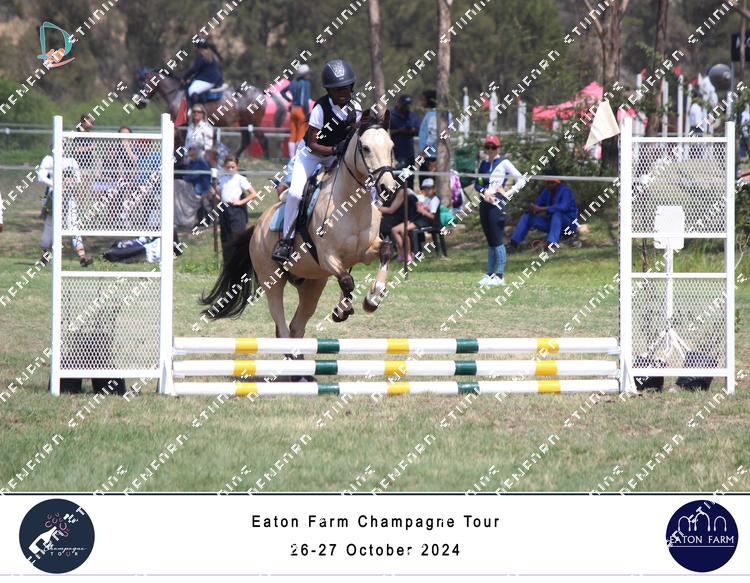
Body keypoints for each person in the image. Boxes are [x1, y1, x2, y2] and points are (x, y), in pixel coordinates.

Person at [271, 58, 362, 263]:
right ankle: (286, 240)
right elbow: (312, 143)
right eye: (337, 90)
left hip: (335, 156)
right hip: (310, 155)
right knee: (295, 193)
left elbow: (357, 135)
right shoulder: (320, 109)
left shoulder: (355, 108)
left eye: (346, 88)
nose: (343, 93)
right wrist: (334, 149)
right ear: (329, 91)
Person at [477, 135, 526, 286]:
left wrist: (506, 194)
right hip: (484, 203)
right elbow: (477, 183)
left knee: (497, 239)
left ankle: (499, 275)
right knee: (490, 240)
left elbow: (521, 179)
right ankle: (489, 274)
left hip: (497, 204)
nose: (490, 150)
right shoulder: (483, 164)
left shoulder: (504, 162)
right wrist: (484, 192)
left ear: (498, 148)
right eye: (488, 147)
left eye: (493, 147)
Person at [38, 151, 93, 266]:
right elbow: (41, 177)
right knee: (49, 226)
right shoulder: (48, 159)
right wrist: (57, 184)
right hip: (52, 197)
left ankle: (82, 256)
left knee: (73, 225)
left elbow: (77, 180)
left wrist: (68, 183)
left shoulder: (71, 161)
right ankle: (45, 256)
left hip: (68, 197)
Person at [510, 179, 578, 250]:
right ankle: (513, 244)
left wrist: (542, 209)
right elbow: (538, 203)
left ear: (558, 183)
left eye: (552, 183)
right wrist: (533, 208)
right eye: (548, 183)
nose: (549, 185)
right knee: (527, 216)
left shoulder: (566, 191)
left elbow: (563, 207)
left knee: (557, 213)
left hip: (568, 226)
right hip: (553, 225)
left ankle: (551, 244)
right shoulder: (547, 190)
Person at [211, 156, 258, 260]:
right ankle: (227, 261)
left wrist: (240, 202)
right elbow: (219, 194)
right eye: (228, 167)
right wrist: (216, 195)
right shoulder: (222, 179)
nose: (230, 169)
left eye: (233, 167)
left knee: (237, 237)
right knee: (225, 237)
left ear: (237, 166)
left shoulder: (240, 179)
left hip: (236, 210)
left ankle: (239, 261)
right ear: (224, 167)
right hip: (224, 209)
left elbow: (253, 194)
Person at [282, 65, 312, 159]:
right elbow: (304, 101)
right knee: (301, 134)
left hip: (293, 110)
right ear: (305, 74)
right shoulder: (305, 83)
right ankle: (298, 157)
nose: (309, 75)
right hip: (301, 110)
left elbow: (282, 92)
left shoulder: (293, 82)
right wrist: (307, 114)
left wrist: (289, 100)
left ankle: (291, 157)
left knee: (293, 134)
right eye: (308, 74)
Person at [182, 38, 223, 107]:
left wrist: (184, 78)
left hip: (208, 80)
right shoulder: (210, 54)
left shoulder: (201, 55)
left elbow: (194, 69)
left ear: (198, 47)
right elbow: (201, 70)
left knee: (191, 90)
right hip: (212, 79)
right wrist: (191, 79)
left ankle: (196, 109)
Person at [389, 95, 419, 188]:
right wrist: (399, 130)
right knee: (397, 179)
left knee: (410, 179)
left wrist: (411, 130)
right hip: (395, 154)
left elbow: (418, 129)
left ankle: (409, 195)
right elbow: (386, 132)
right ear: (398, 103)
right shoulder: (390, 114)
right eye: (404, 105)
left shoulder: (412, 115)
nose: (406, 107)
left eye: (408, 105)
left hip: (409, 154)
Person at [418, 90, 452, 154]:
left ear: (429, 101)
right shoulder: (445, 113)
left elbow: (433, 136)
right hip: (441, 152)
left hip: (431, 155)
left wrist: (423, 153)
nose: (421, 102)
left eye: (423, 100)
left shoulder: (433, 114)